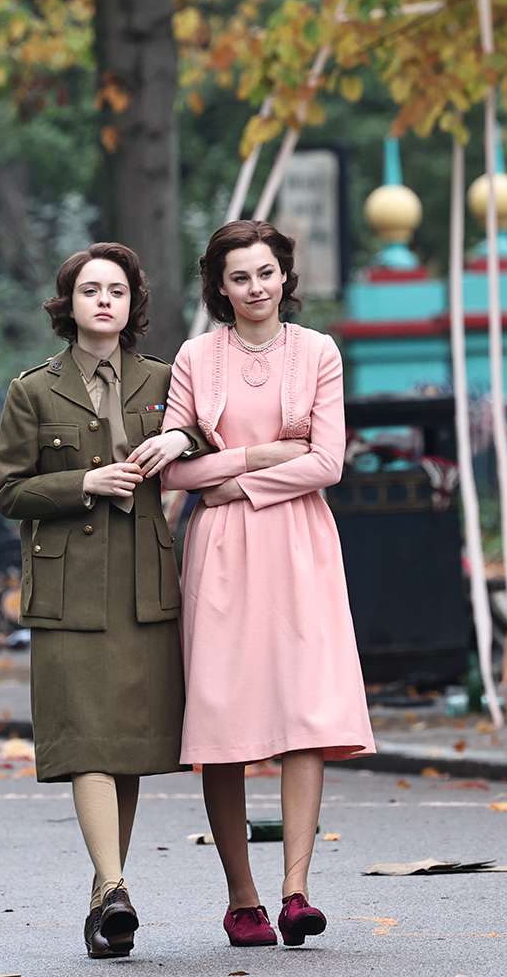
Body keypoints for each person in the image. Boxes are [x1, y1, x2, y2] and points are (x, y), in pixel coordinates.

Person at [0, 241, 209, 960]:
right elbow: (8, 491)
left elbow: (208, 433)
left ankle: (102, 894)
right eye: (90, 291)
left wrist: (177, 433)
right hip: (68, 584)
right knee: (86, 735)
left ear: (132, 304)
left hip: (144, 583)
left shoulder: (165, 378)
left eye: (116, 290)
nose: (104, 302)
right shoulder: (33, 389)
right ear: (69, 305)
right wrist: (83, 483)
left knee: (126, 747)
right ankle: (115, 890)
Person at [161, 220, 375, 948]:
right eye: (240, 277)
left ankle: (296, 891)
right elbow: (175, 470)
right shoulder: (195, 357)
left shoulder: (318, 352)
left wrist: (241, 482)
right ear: (219, 287)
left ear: (286, 276)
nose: (255, 288)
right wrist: (261, 453)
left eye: (266, 273)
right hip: (218, 551)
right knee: (223, 719)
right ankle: (242, 897)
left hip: (298, 543)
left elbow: (327, 463)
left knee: (303, 711)